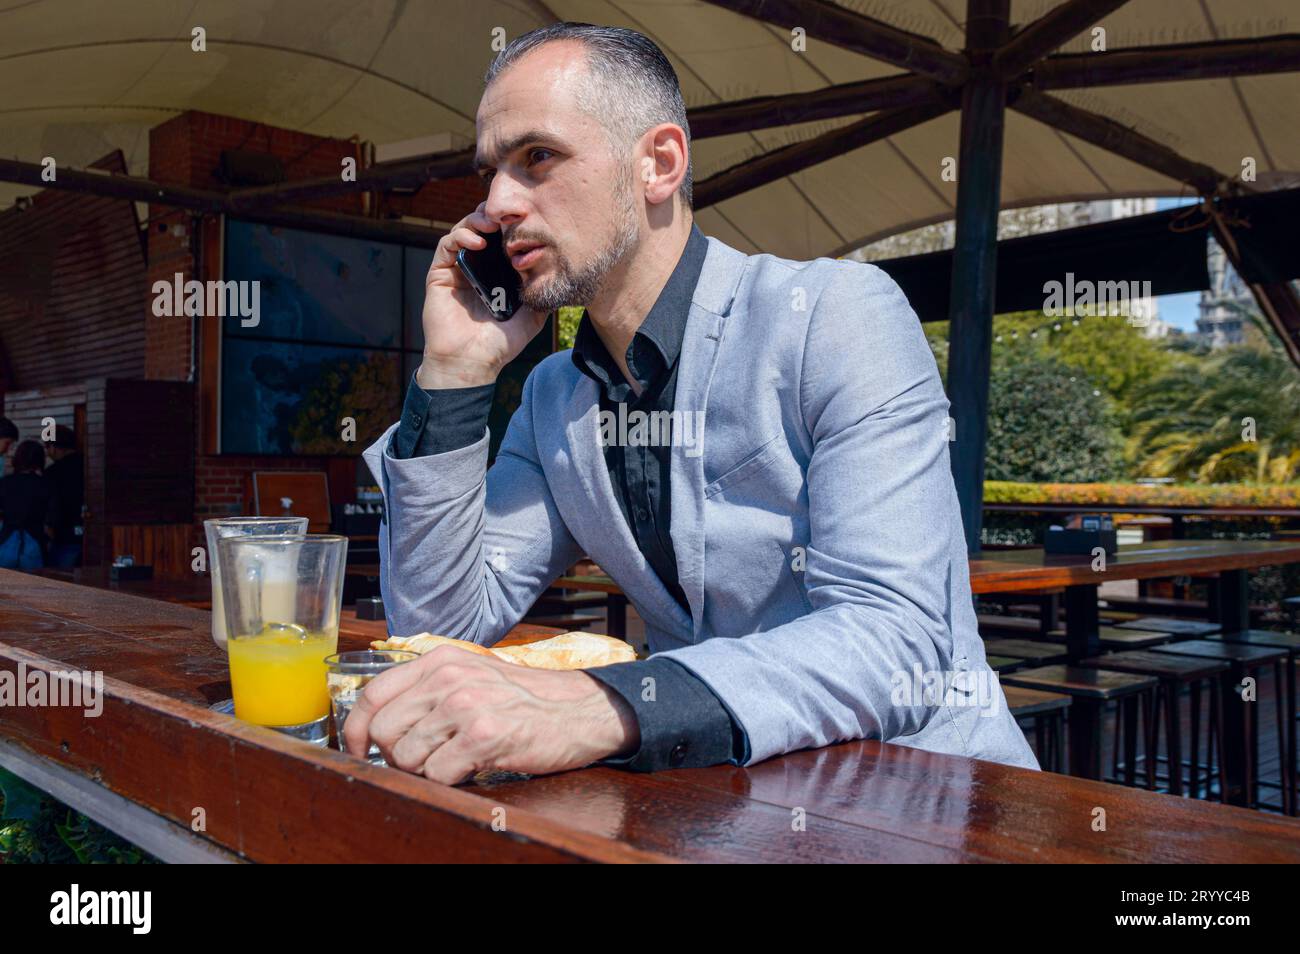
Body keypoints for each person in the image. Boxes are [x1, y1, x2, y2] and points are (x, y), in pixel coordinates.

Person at [351, 22, 1038, 783]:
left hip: (934, 803)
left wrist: (601, 706)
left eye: (536, 158)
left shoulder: (835, 317)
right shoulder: (553, 398)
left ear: (659, 162)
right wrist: (453, 372)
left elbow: (895, 640)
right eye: (490, 172)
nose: (495, 203)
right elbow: (436, 627)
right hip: (722, 809)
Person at [0, 440, 56, 571]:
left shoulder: (5, 483)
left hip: (6, 541)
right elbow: (53, 518)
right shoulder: (45, 484)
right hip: (35, 543)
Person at [45, 426, 84, 568]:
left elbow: (51, 505)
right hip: (91, 534)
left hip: (63, 536)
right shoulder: (89, 465)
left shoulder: (52, 472)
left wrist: (49, 526)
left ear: (53, 447)